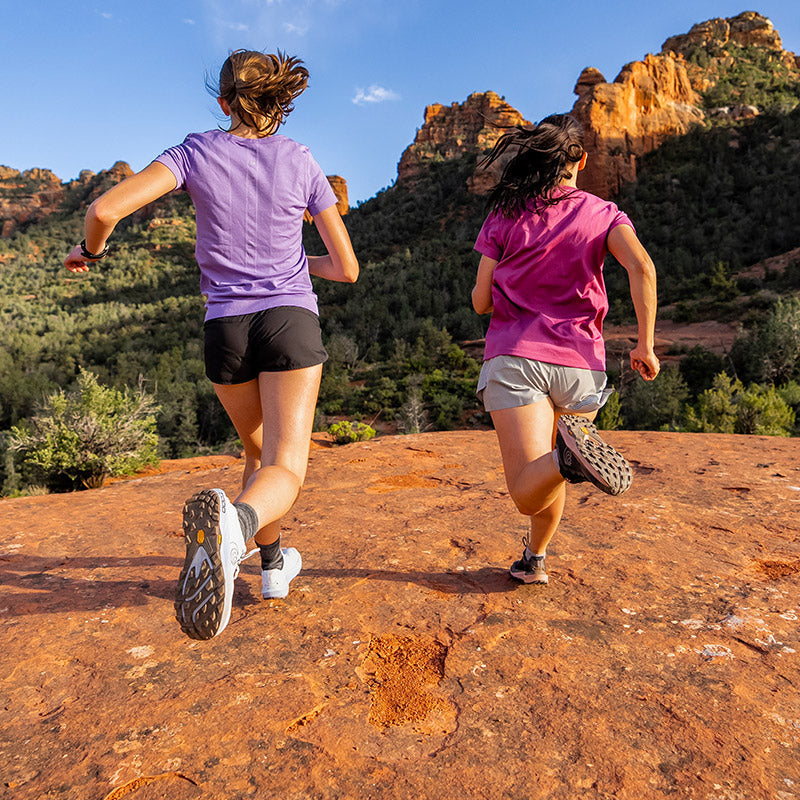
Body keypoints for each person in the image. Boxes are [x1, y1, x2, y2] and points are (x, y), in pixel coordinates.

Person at [64, 49, 359, 639]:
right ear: (279, 103)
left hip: (224, 330)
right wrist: (297, 259)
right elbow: (348, 268)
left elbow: (103, 210)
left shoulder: (194, 151)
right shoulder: (301, 161)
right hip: (288, 319)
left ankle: (272, 566)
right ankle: (240, 525)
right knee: (284, 466)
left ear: (223, 102)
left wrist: (90, 253)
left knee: (255, 448)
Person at [471, 114, 659, 586]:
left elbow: (479, 301)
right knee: (552, 470)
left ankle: (567, 460)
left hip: (518, 358)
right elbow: (642, 268)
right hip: (582, 366)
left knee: (529, 486)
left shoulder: (506, 213)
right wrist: (645, 344)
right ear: (580, 160)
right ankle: (535, 558)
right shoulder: (604, 213)